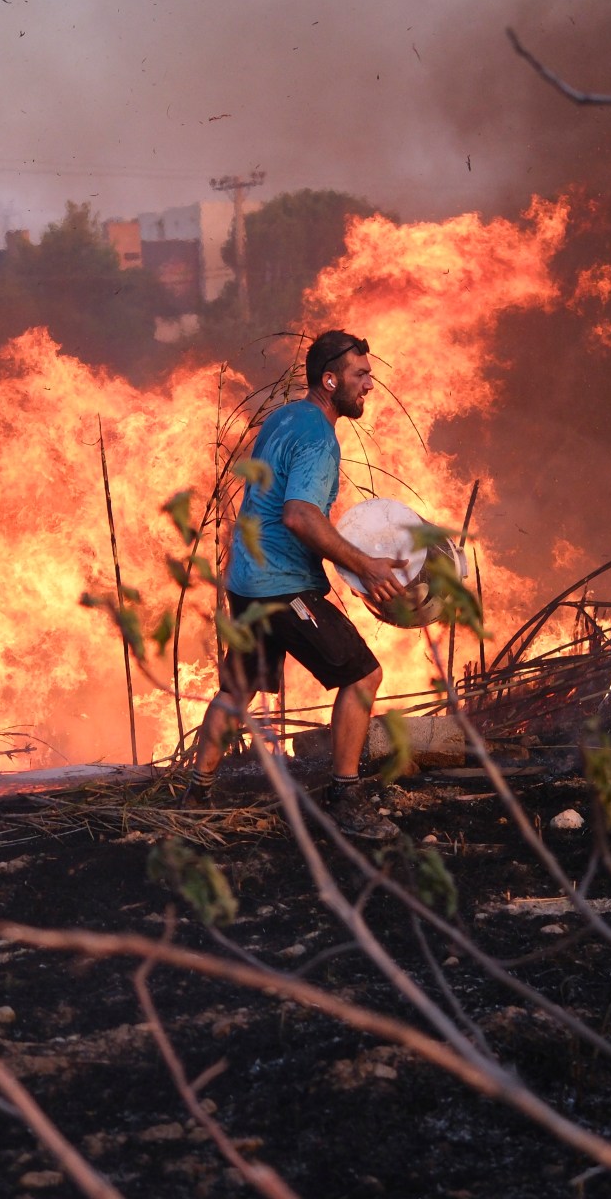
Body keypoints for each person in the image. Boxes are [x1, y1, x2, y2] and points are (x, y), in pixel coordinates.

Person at [187, 329, 407, 839]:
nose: (369, 385)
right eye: (360, 375)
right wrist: (367, 565)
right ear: (330, 381)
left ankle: (197, 791)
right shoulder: (318, 436)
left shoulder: (284, 416)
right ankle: (346, 798)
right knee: (363, 677)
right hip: (281, 587)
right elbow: (301, 518)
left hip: (245, 579)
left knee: (236, 689)